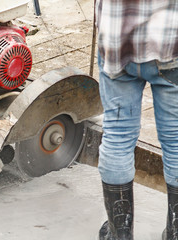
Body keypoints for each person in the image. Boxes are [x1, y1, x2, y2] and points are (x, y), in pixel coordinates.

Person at [96, 0, 178, 239]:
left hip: (117, 40)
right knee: (176, 140)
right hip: (172, 41)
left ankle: (118, 234)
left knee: (117, 135)